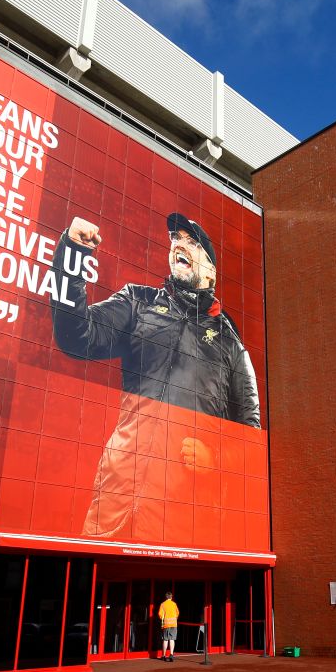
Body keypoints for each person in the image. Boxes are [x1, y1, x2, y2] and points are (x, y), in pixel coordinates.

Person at [51, 213, 261, 539]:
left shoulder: (231, 345)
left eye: (192, 242)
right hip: (114, 508)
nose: (180, 244)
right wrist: (72, 256)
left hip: (183, 522)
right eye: (176, 239)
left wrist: (214, 457)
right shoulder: (138, 303)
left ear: (211, 269)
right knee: (90, 589)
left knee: (168, 594)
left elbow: (251, 439)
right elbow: (74, 337)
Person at [157, 591, 179, 661]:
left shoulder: (163, 604)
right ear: (171, 597)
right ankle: (171, 654)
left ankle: (163, 655)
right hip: (173, 624)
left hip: (166, 624)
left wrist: (163, 619)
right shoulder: (174, 604)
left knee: (165, 639)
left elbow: (160, 614)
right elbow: (177, 613)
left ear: (166, 597)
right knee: (172, 639)